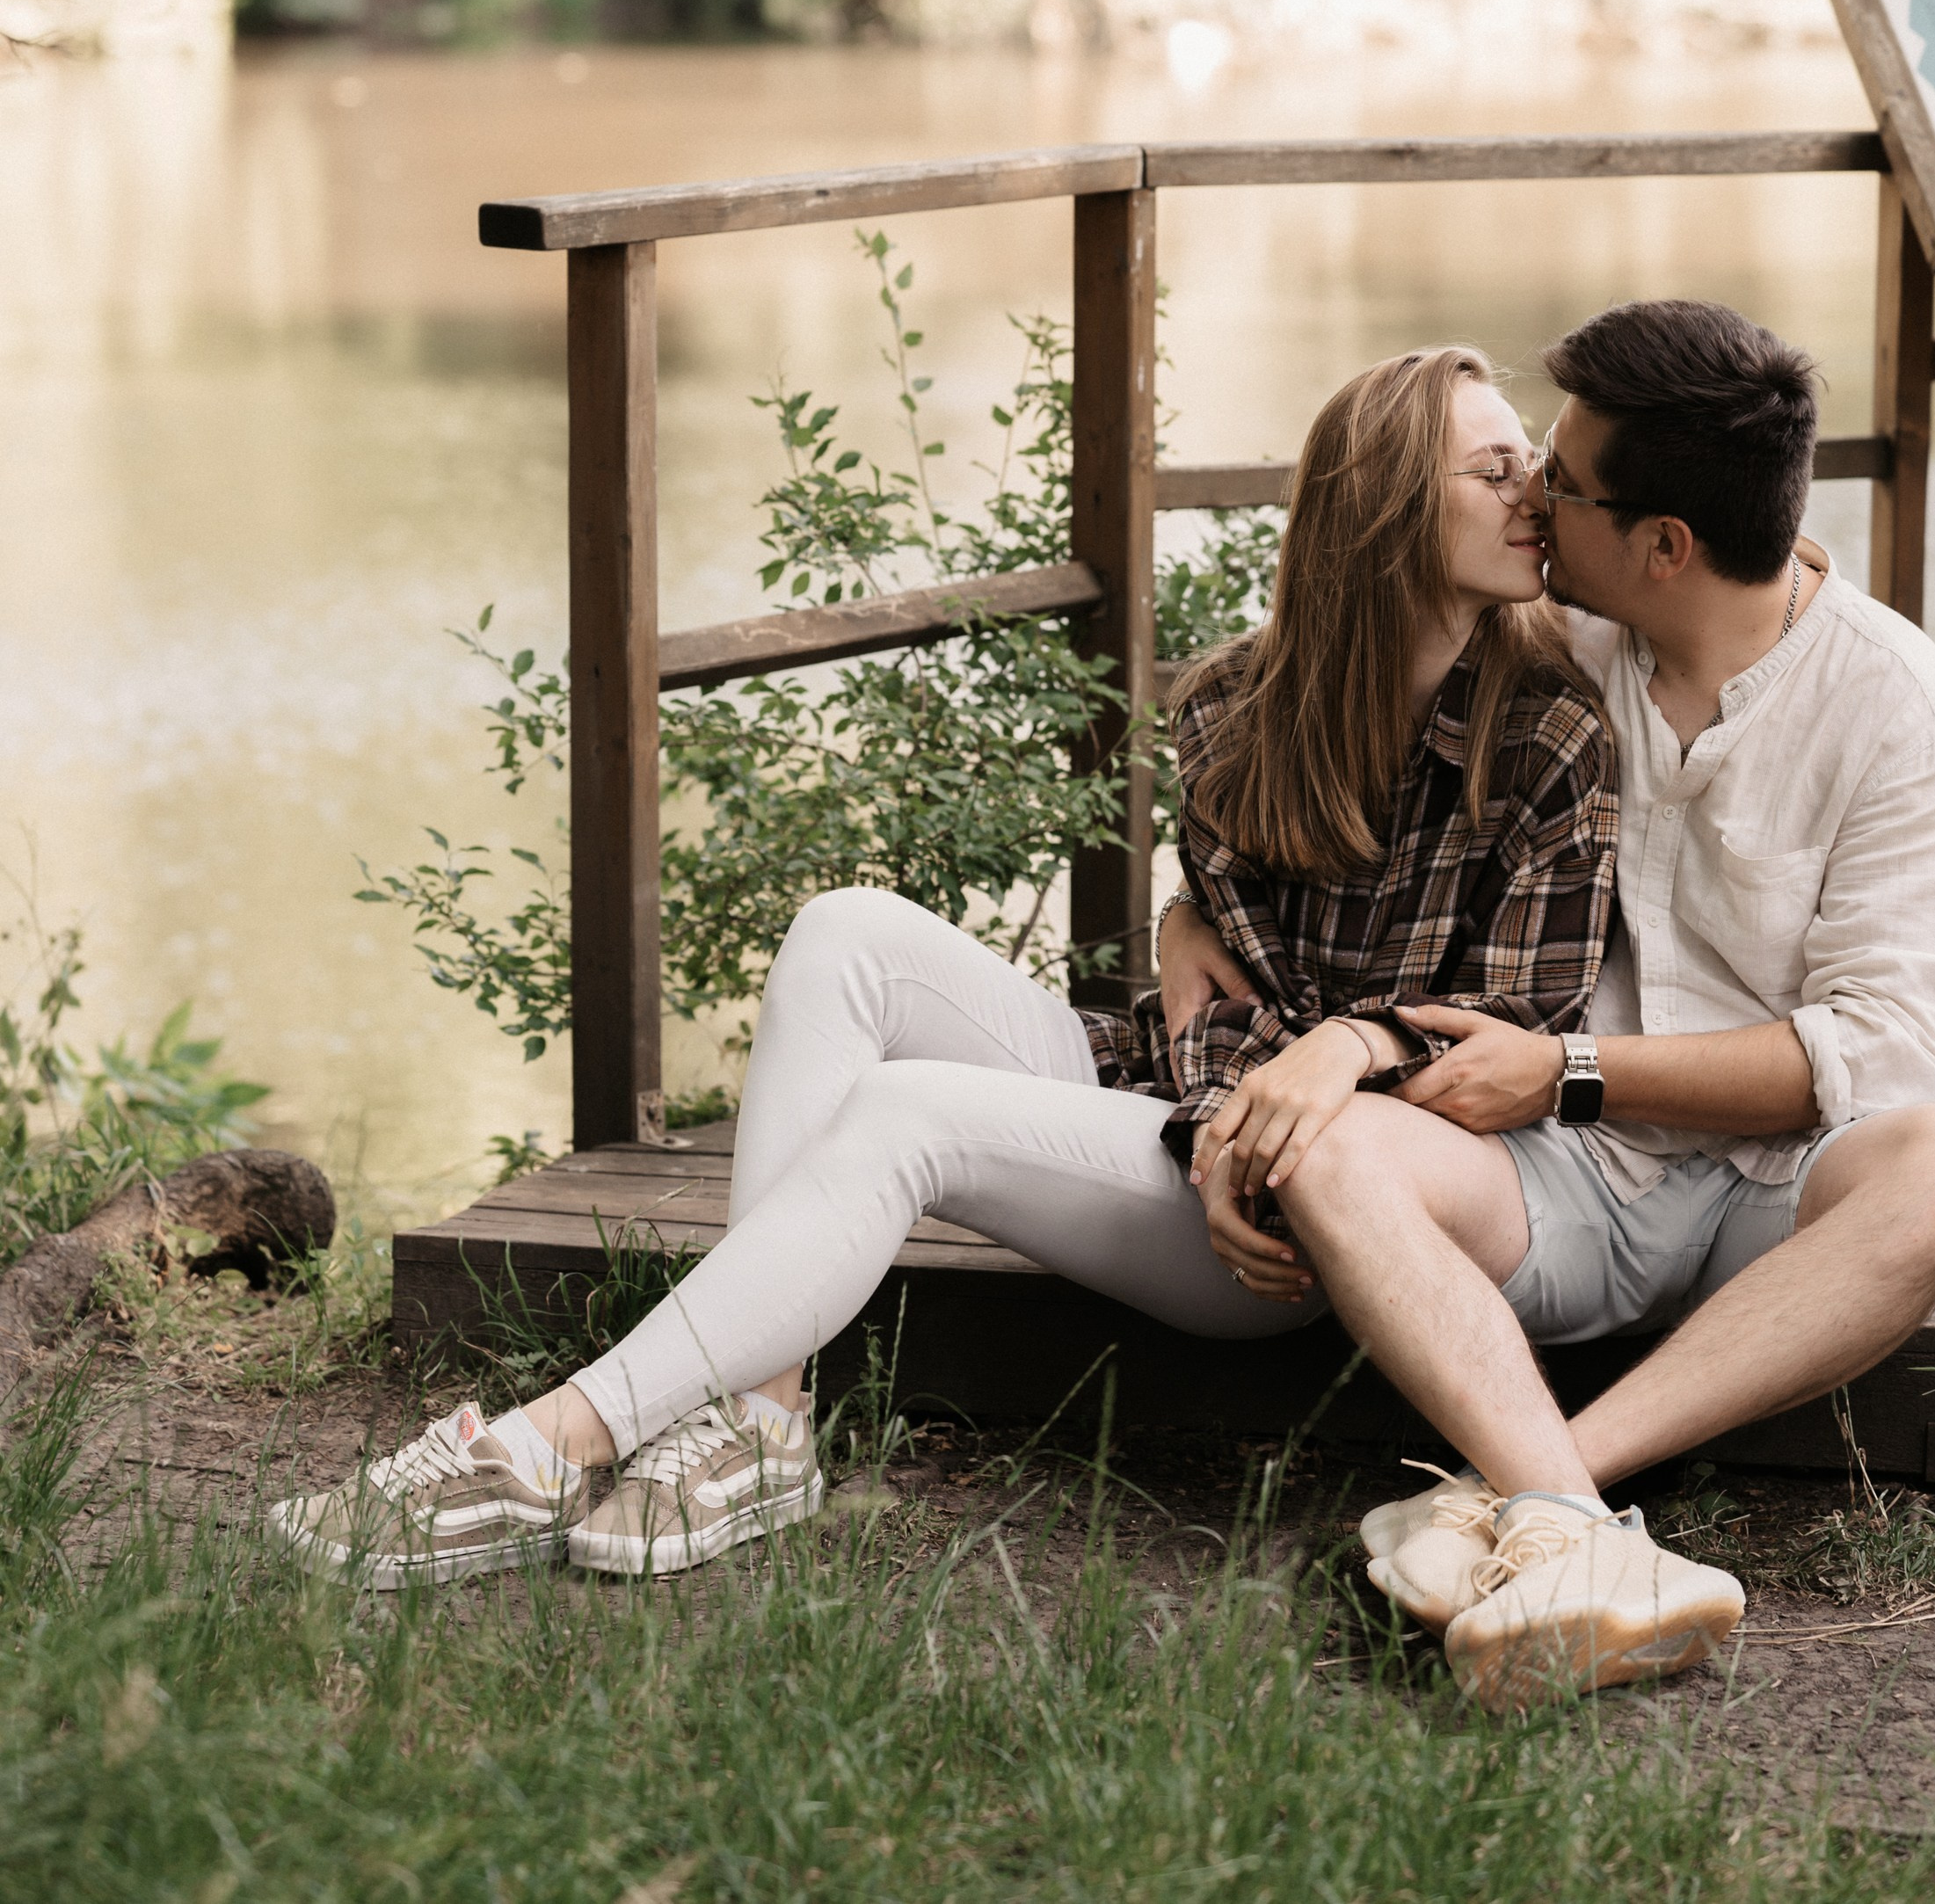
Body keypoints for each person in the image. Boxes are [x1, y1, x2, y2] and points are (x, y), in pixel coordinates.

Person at [270, 345, 1616, 1593]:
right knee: (846, 930)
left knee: (907, 1114)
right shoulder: (1230, 709)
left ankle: (546, 1445)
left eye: (1531, 469)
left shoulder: (1547, 734)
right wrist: (1182, 963)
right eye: (1494, 470)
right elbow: (1230, 998)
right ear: (1379, 506)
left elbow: (1507, 1037)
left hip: (1291, 1223)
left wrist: (1260, 1118)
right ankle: (761, 1419)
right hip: (1190, 1124)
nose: (1533, 497)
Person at [1175, 299, 1935, 1716]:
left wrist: (1571, 1071)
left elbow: (1871, 1056)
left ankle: (1536, 1495)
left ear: (1664, 545)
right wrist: (1181, 908)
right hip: (1561, 1185)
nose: (1529, 501)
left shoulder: (1896, 711)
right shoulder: (1560, 641)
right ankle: (1573, 1530)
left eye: (1558, 485)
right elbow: (1315, 706)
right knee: (1327, 1144)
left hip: (1776, 1198)